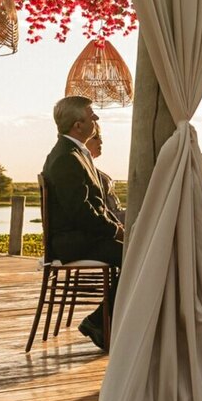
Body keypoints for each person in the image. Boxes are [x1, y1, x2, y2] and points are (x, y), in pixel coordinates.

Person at [42, 95, 124, 351]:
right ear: (78, 125)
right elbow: (81, 211)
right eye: (91, 115)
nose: (96, 119)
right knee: (140, 256)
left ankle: (105, 321)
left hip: (83, 238)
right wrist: (115, 230)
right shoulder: (67, 158)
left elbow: (93, 207)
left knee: (138, 251)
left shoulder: (75, 153)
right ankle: (100, 322)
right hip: (74, 243)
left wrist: (118, 229)